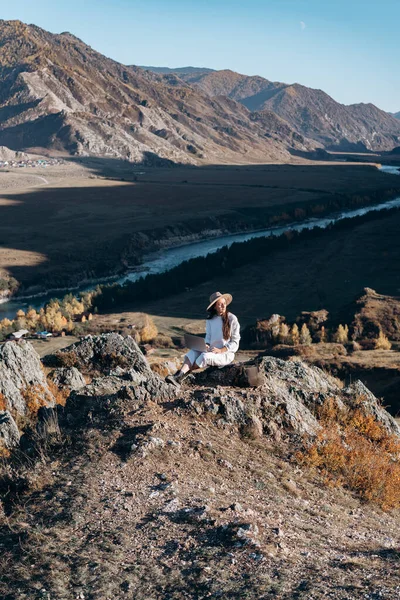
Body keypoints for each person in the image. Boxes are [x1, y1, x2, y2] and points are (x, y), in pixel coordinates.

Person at [166, 291, 240, 387]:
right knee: (192, 352)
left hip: (225, 354)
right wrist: (207, 344)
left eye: (224, 303)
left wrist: (221, 350)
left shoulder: (232, 319)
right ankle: (179, 374)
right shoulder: (210, 320)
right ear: (214, 307)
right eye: (219, 304)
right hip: (211, 350)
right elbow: (208, 337)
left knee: (204, 357)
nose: (223, 306)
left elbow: (235, 342)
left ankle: (181, 376)